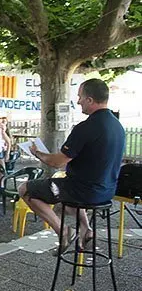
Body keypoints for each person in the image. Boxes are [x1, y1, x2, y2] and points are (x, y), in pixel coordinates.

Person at [19, 79, 125, 252]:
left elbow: (56, 162)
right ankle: (86, 229)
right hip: (106, 191)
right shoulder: (117, 125)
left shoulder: (86, 127)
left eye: (80, 97)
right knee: (66, 200)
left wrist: (36, 152)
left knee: (25, 189)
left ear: (90, 100)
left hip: (84, 191)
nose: (78, 102)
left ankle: (63, 232)